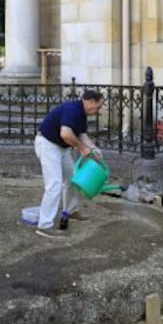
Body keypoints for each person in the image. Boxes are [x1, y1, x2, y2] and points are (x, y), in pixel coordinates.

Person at [34, 89, 104, 238]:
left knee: (73, 178)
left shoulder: (81, 113)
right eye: (98, 106)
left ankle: (71, 211)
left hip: (61, 148)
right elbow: (65, 134)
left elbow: (81, 134)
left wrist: (92, 148)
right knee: (54, 184)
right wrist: (82, 148)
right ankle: (44, 225)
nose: (98, 110)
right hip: (47, 144)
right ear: (91, 102)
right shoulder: (72, 110)